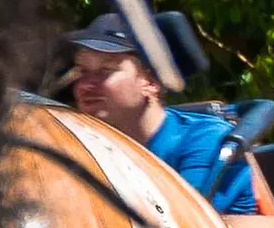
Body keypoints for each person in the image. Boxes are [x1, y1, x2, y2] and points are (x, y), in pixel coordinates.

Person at [64, 12, 258, 215]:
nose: (85, 85)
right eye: (82, 72)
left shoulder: (206, 139)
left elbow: (181, 225)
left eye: (105, 69)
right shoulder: (83, 148)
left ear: (151, 82)